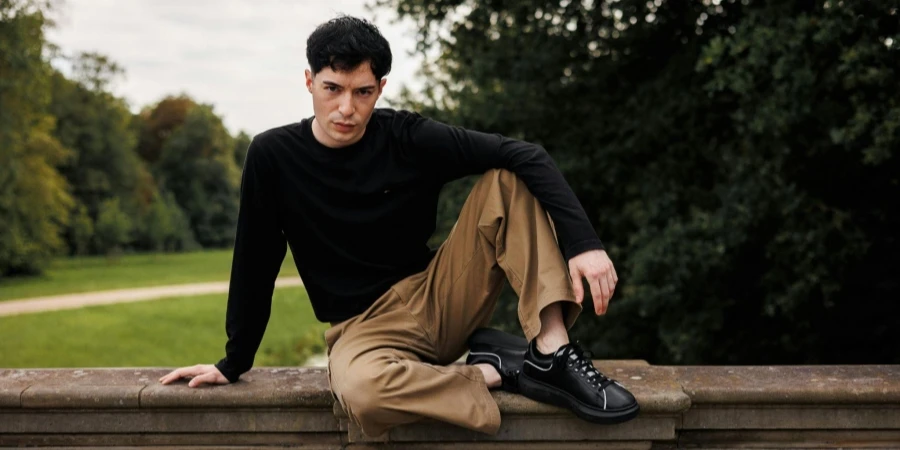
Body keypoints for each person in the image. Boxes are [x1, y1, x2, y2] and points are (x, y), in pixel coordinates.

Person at [159, 15, 639, 436]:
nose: (346, 107)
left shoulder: (407, 136)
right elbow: (255, 261)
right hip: (363, 328)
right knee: (362, 393)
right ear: (309, 81)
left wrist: (585, 245)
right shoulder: (272, 156)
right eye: (333, 89)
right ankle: (500, 373)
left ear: (380, 89)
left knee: (506, 181)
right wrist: (234, 361)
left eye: (362, 92)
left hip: (437, 294)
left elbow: (525, 154)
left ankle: (551, 353)